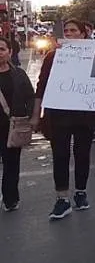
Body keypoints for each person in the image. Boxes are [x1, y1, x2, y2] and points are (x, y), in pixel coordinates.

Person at [36, 19, 95, 220]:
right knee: (60, 155)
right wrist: (36, 116)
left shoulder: (94, 56)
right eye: (66, 31)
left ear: (83, 34)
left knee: (82, 154)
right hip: (59, 114)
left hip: (84, 114)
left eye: (74, 30)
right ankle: (62, 198)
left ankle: (81, 192)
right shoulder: (53, 57)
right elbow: (41, 85)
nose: (70, 34)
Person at [0, 37, 36, 212]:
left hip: (12, 127)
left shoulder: (19, 74)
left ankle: (10, 198)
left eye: (2, 49)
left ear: (10, 52)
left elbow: (30, 96)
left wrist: (31, 117)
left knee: (11, 164)